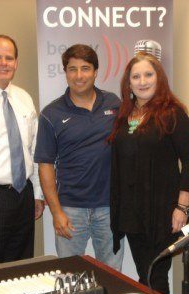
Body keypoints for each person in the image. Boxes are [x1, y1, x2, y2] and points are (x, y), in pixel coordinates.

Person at [109, 52, 189, 294]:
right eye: (136, 76)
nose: (142, 81)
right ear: (129, 83)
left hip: (162, 213)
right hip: (132, 212)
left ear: (159, 78)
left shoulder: (173, 113)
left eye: (148, 74)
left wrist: (182, 207)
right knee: (144, 273)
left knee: (155, 275)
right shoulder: (125, 116)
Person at [34, 44, 124, 271]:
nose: (79, 75)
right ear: (65, 72)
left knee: (112, 275)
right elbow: (45, 166)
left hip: (109, 208)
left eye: (85, 68)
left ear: (95, 72)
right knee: (70, 278)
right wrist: (56, 212)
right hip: (70, 211)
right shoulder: (51, 114)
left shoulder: (115, 104)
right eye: (72, 69)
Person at [0, 35, 44, 265]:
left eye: (9, 58)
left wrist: (36, 195)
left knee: (20, 270)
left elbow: (33, 149)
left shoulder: (23, 98)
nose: (4, 62)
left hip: (22, 198)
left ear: (16, 63)